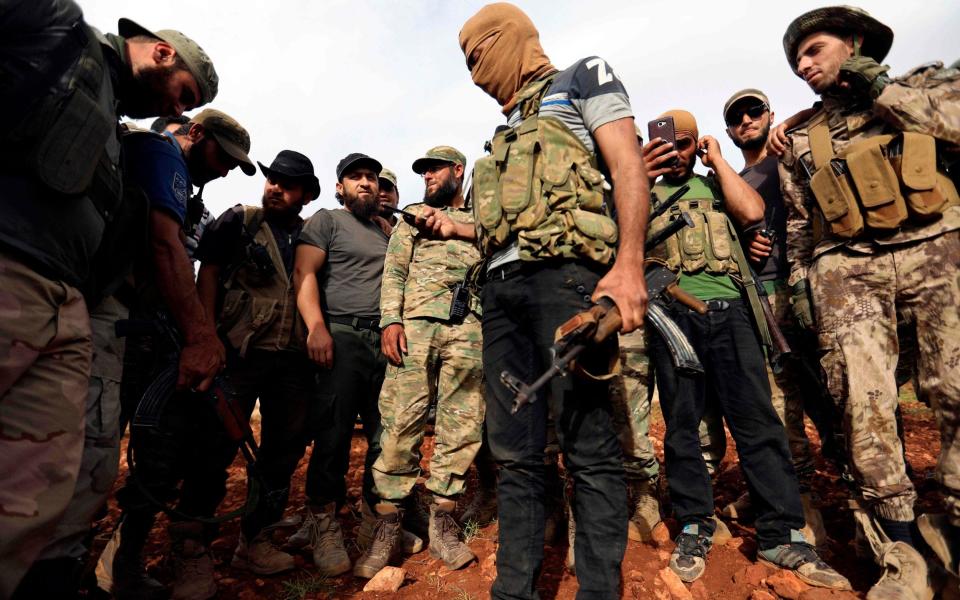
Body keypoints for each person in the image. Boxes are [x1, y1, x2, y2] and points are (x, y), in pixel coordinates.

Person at [423, 4, 651, 597]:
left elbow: (627, 163)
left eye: (480, 54)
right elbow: (510, 226)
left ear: (512, 38)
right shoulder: (502, 134)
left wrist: (627, 266)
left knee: (588, 448)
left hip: (566, 283)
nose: (475, 73)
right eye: (467, 63)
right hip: (500, 295)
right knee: (516, 455)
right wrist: (457, 229)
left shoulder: (582, 78)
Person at [0, 4, 217, 596]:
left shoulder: (118, 132)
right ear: (162, 53)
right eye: (183, 93)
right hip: (13, 273)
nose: (179, 108)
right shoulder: (58, 33)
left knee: (46, 490)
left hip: (67, 300)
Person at [779, 6, 960, 596]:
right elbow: (802, 223)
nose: (804, 65)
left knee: (954, 390)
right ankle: (903, 554)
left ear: (855, 43)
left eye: (815, 50)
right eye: (797, 59)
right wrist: (803, 282)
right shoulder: (802, 135)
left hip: (938, 252)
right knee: (865, 408)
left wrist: (885, 89)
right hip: (848, 269)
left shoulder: (924, 86)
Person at [641, 109, 849, 589]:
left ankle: (781, 533)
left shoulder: (714, 186)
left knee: (757, 422)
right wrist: (639, 170)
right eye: (668, 145)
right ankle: (695, 524)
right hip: (672, 316)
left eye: (686, 145)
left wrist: (717, 161)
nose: (676, 154)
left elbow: (753, 212)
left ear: (698, 147)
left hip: (731, 312)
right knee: (683, 428)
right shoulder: (641, 193)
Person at [103, 108, 254, 600]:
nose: (229, 169)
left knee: (158, 458)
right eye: (224, 156)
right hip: (118, 327)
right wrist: (200, 335)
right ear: (195, 134)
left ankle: (118, 565)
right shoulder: (155, 152)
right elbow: (163, 248)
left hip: (152, 335)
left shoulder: (193, 197)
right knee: (89, 457)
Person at [691, 89, 828, 546]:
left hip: (800, 291)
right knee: (772, 404)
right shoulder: (733, 177)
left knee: (820, 400)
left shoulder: (784, 154)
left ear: (769, 115)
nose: (747, 120)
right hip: (759, 299)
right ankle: (784, 497)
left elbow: (833, 107)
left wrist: (792, 119)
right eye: (737, 117)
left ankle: (828, 503)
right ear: (729, 130)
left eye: (755, 111)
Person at [354, 146, 484, 577]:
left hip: (469, 330)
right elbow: (394, 272)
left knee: (461, 425)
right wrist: (390, 320)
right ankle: (388, 526)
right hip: (415, 328)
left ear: (458, 171)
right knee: (400, 421)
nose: (427, 175)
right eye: (423, 170)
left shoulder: (481, 221)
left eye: (435, 169)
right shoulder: (411, 216)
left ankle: (443, 520)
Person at [192, 150, 321, 579]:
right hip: (238, 356)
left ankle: (255, 538)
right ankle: (190, 547)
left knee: (282, 453)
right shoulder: (238, 221)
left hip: (291, 363)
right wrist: (206, 334)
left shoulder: (310, 235)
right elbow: (207, 274)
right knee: (213, 448)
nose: (275, 188)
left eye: (287, 184)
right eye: (272, 180)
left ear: (304, 194)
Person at [291, 153, 390, 576]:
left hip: (384, 339)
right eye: (356, 177)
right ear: (340, 187)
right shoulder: (326, 220)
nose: (365, 183)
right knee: (333, 432)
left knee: (385, 431)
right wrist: (317, 327)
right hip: (342, 335)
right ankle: (322, 520)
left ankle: (375, 518)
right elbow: (304, 274)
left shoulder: (386, 231)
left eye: (371, 177)